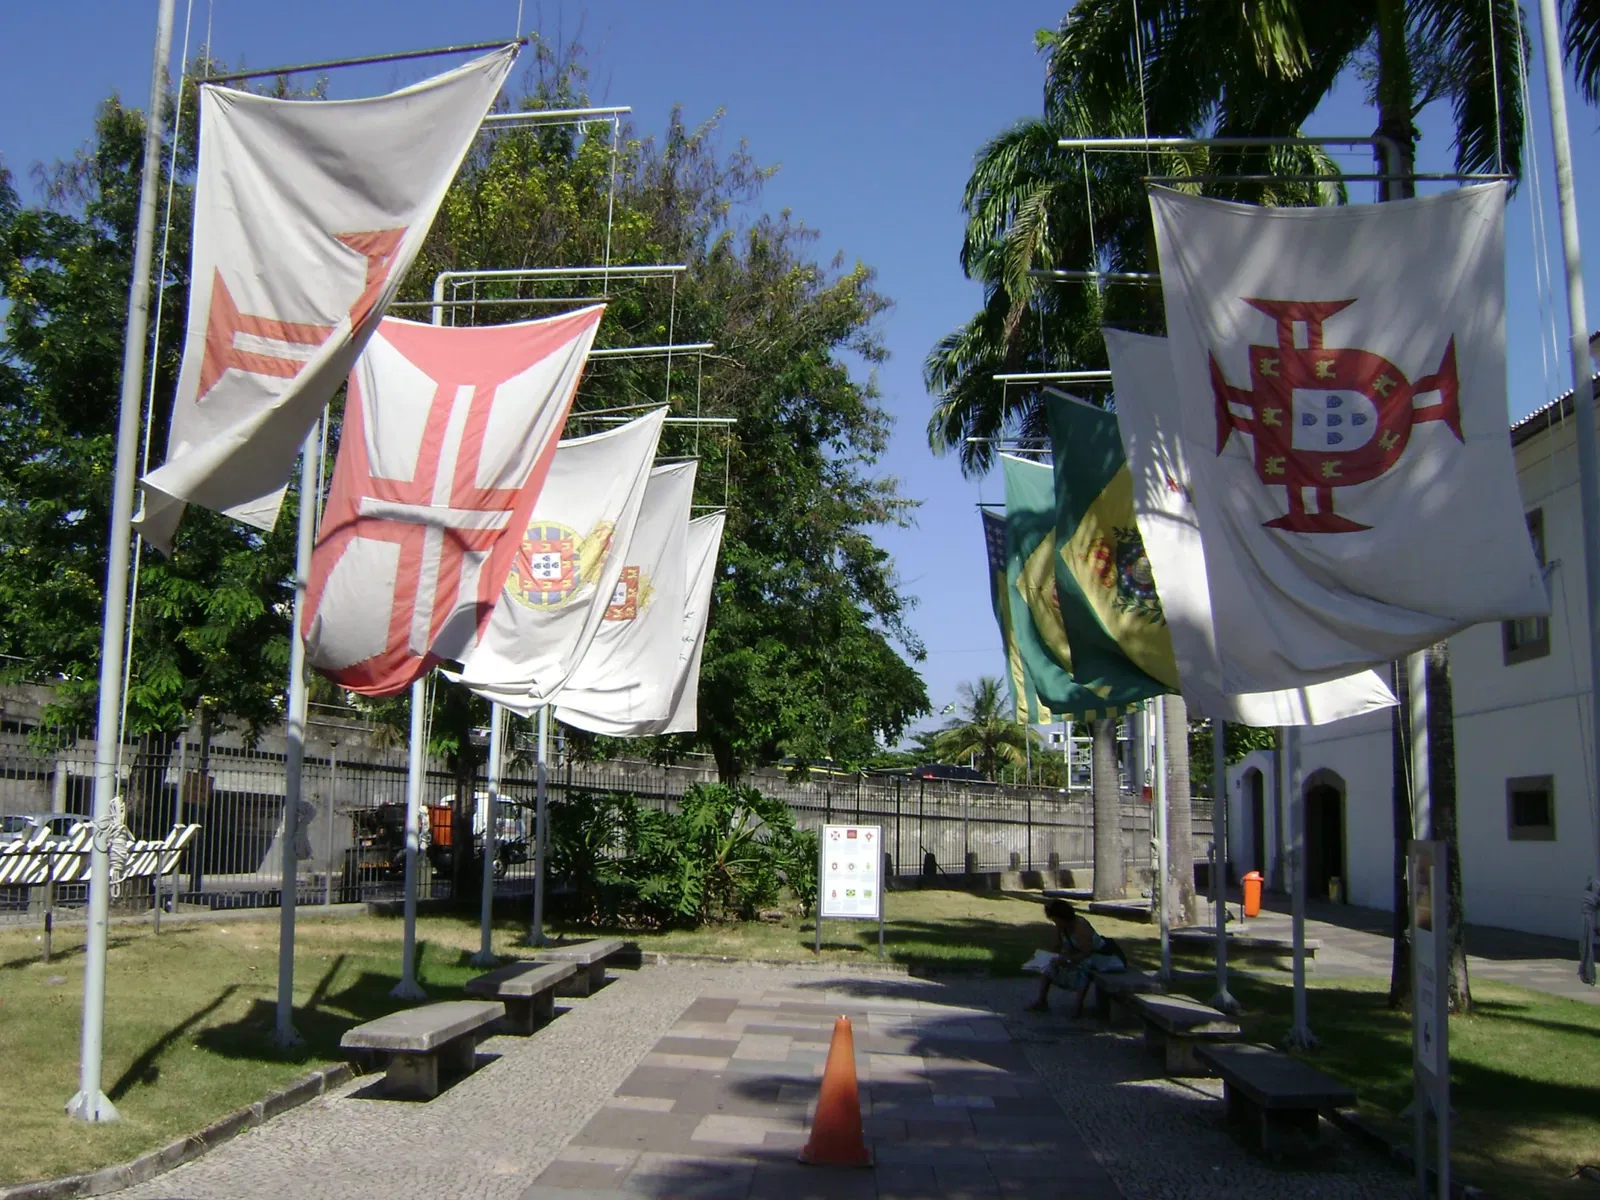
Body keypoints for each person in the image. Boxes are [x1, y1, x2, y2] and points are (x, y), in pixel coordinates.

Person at [1025, 899, 1126, 1016]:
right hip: (1079, 954)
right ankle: (1042, 1000)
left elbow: (1086, 952)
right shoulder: (1062, 927)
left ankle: (1078, 1006)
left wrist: (1067, 959)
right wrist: (1052, 955)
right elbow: (1058, 946)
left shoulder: (1081, 926)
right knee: (1050, 964)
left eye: (1055, 919)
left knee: (1085, 965)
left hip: (1103, 957)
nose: (1054, 922)